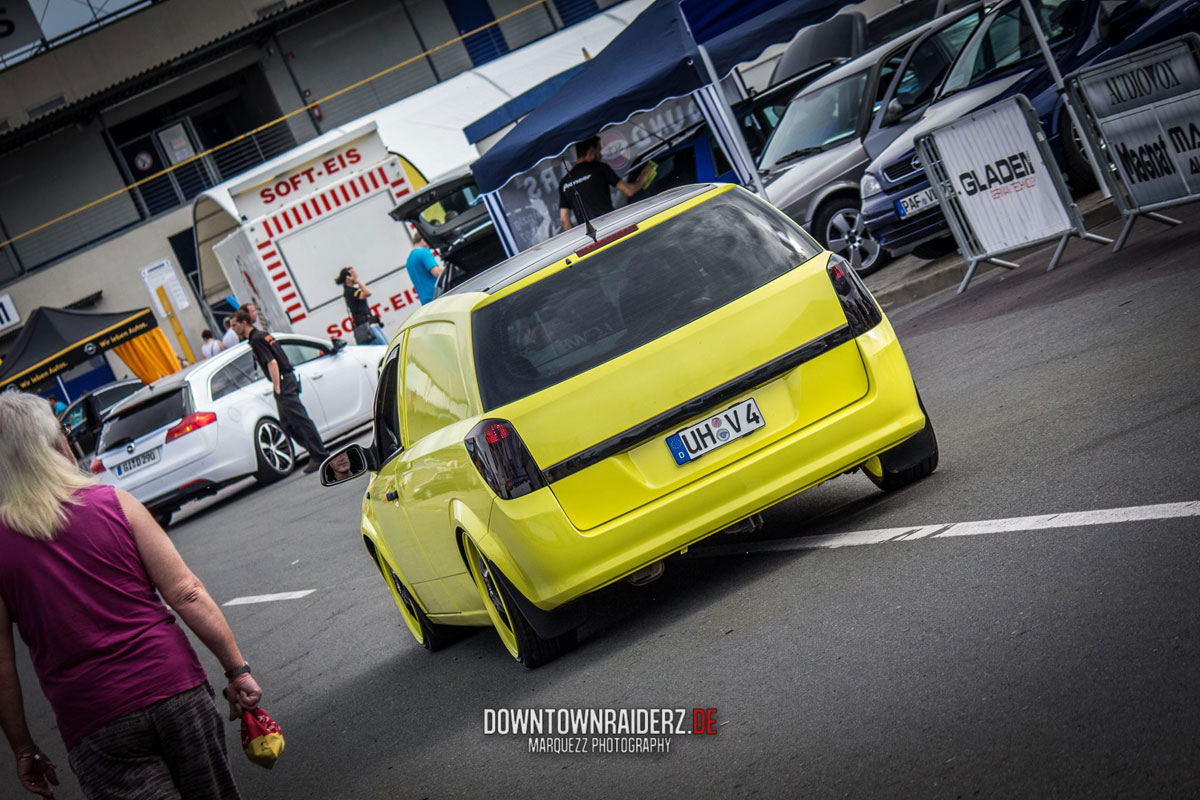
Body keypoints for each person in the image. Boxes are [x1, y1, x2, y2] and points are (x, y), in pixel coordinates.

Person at [0, 391, 263, 800]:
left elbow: (2, 663)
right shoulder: (114, 504)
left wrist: (23, 747)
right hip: (175, 688)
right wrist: (236, 670)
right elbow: (187, 592)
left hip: (96, 720)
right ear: (54, 446)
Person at [230, 309, 329, 474]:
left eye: (235, 325)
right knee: (288, 423)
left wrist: (277, 387)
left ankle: (319, 454)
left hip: (283, 381)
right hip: (286, 379)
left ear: (244, 322)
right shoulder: (262, 335)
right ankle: (314, 452)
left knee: (300, 420)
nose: (233, 329)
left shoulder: (256, 339)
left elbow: (272, 363)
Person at [558, 136, 653, 230]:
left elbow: (564, 220)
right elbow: (629, 191)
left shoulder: (565, 182)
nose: (601, 155)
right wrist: (643, 179)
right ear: (591, 151)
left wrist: (581, 237)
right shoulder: (599, 168)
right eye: (599, 150)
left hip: (590, 236)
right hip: (610, 227)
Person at [335, 267, 387, 346]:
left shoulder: (352, 290)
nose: (356, 275)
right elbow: (367, 293)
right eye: (353, 273)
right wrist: (358, 281)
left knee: (385, 346)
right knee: (384, 349)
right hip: (366, 326)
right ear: (348, 278)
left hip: (369, 323)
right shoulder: (350, 292)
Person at [405, 232, 444, 306]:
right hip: (437, 296)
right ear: (423, 240)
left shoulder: (409, 260)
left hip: (425, 301)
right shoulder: (423, 252)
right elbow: (437, 272)